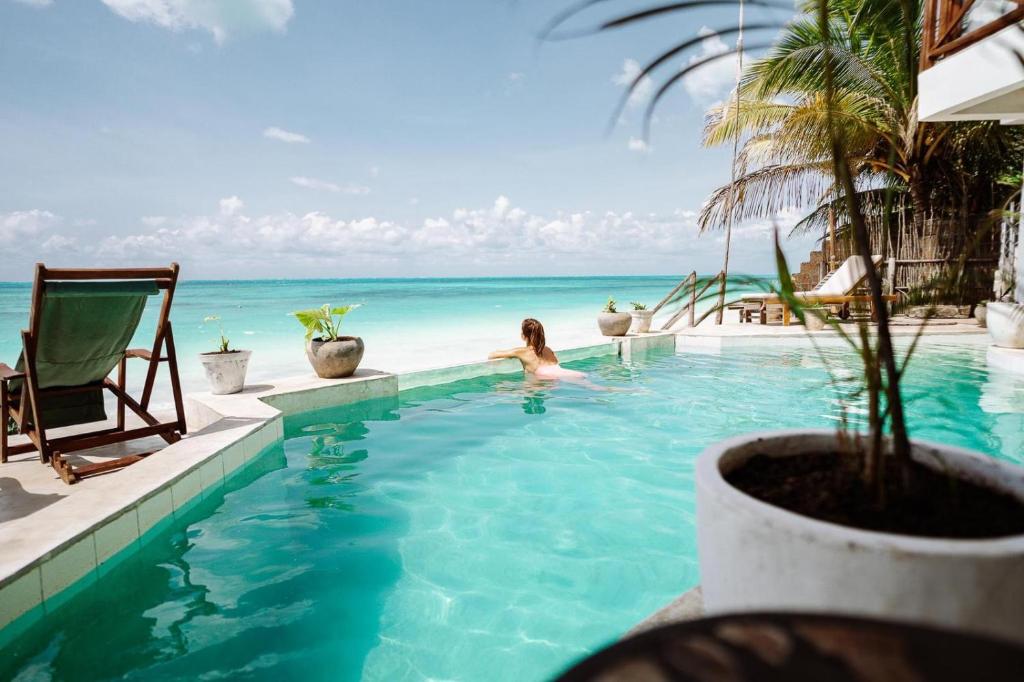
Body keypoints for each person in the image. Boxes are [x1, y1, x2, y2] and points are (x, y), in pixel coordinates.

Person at [488, 318, 587, 379]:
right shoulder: (548, 349)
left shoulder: (521, 352)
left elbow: (492, 355)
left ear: (523, 335)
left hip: (541, 383)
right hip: (567, 376)